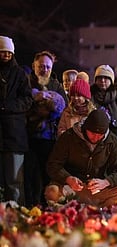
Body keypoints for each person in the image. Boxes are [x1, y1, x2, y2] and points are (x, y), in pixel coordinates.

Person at [45, 109, 117, 207]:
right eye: (93, 133)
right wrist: (68, 178)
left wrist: (106, 182)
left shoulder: (112, 141)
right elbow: (53, 165)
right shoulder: (68, 137)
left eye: (100, 135)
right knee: (52, 192)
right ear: (85, 128)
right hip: (72, 188)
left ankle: (101, 214)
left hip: (98, 190)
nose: (95, 138)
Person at [26, 50, 67, 206]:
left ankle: (46, 207)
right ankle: (28, 207)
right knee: (28, 176)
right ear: (34, 66)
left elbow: (63, 108)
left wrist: (48, 106)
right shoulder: (26, 83)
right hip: (28, 137)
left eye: (48, 67)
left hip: (49, 138)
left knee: (46, 176)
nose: (44, 69)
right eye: (41, 66)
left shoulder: (56, 86)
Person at [0, 35, 33, 205]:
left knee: (14, 181)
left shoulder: (19, 74)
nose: (5, 55)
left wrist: (7, 106)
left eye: (8, 52)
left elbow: (27, 100)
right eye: (2, 52)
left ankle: (18, 215)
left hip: (14, 135)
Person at [91, 64, 117, 140]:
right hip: (95, 133)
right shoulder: (90, 95)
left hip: (114, 134)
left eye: (106, 78)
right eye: (100, 78)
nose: (102, 80)